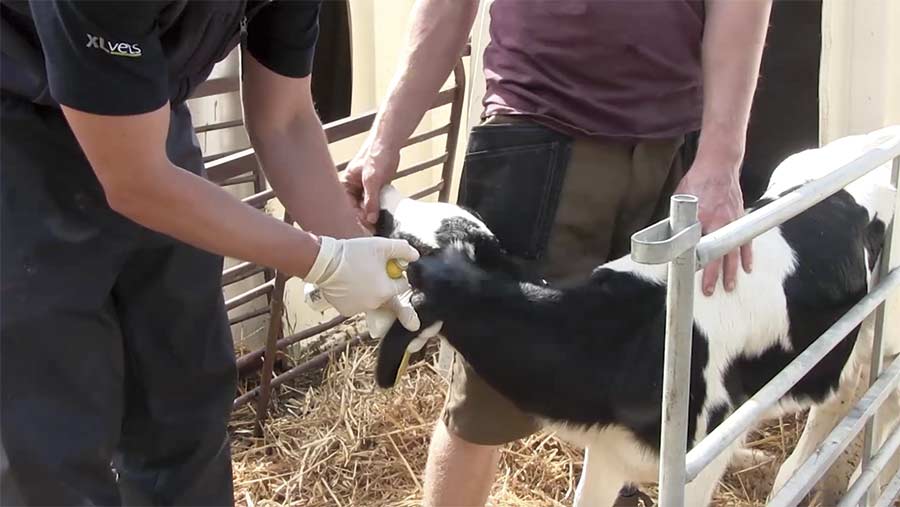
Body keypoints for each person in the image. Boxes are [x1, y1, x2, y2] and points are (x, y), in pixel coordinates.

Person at [342, 0, 772, 505]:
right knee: (487, 402)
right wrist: (384, 139)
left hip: (672, 151)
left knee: (648, 383)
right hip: (536, 138)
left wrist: (721, 157)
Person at [0, 1, 420, 505]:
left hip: (145, 119)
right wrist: (321, 261)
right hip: (17, 128)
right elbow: (135, 181)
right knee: (47, 433)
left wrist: (360, 257)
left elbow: (284, 119)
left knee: (186, 396)